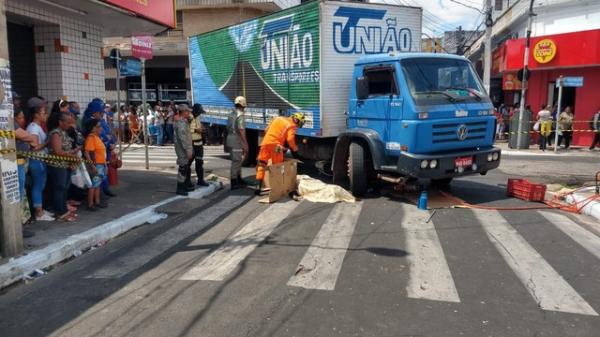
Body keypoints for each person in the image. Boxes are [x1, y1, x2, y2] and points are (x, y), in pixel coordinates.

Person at [255, 112, 305, 193]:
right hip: (276, 146)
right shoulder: (291, 126)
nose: (298, 126)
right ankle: (278, 188)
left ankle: (258, 188)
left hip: (265, 142)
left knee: (262, 164)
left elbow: (266, 130)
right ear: (297, 120)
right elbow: (290, 140)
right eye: (299, 124)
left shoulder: (278, 118)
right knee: (278, 166)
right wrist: (295, 149)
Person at [26, 99, 54, 221]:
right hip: (36, 161)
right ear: (36, 114)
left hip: (40, 161)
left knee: (41, 185)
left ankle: (41, 210)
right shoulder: (33, 128)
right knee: (38, 186)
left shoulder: (37, 126)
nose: (46, 115)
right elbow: (35, 148)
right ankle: (39, 213)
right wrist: (48, 142)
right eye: (43, 113)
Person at [48, 112, 79, 222]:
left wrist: (74, 153)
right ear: (60, 122)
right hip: (58, 165)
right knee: (59, 188)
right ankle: (60, 212)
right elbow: (58, 151)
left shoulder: (64, 132)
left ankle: (64, 210)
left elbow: (65, 149)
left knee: (64, 188)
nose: (70, 124)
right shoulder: (56, 133)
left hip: (66, 164)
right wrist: (72, 155)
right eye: (68, 122)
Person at [14, 108, 38, 233]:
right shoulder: (8, 122)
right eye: (20, 117)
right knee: (17, 195)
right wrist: (28, 138)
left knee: (20, 194)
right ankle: (18, 227)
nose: (22, 120)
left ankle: (21, 224)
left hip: (20, 163)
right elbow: (28, 137)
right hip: (14, 164)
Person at [84, 119, 108, 211]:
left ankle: (97, 202)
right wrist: (93, 166)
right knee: (93, 185)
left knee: (97, 185)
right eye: (98, 126)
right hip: (96, 165)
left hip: (101, 165)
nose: (101, 128)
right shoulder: (91, 138)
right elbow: (87, 153)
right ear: (93, 128)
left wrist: (105, 165)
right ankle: (90, 204)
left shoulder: (97, 137)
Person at [226, 96, 249, 190]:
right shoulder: (240, 115)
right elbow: (241, 130)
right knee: (236, 161)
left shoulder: (232, 113)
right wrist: (245, 143)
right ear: (243, 104)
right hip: (236, 140)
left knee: (238, 160)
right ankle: (234, 181)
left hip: (230, 138)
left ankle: (239, 179)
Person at [174, 104, 194, 196]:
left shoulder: (184, 121)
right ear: (184, 112)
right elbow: (182, 139)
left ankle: (184, 186)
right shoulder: (181, 123)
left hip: (183, 149)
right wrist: (187, 150)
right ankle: (180, 187)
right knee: (183, 168)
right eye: (187, 111)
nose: (189, 113)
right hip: (182, 149)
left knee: (185, 167)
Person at [190, 104, 208, 186]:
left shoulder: (197, 117)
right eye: (199, 112)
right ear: (196, 111)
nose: (200, 114)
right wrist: (198, 130)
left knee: (199, 162)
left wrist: (202, 128)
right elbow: (190, 129)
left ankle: (200, 180)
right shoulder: (190, 117)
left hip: (199, 143)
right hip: (192, 144)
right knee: (188, 163)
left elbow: (199, 127)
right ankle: (186, 181)